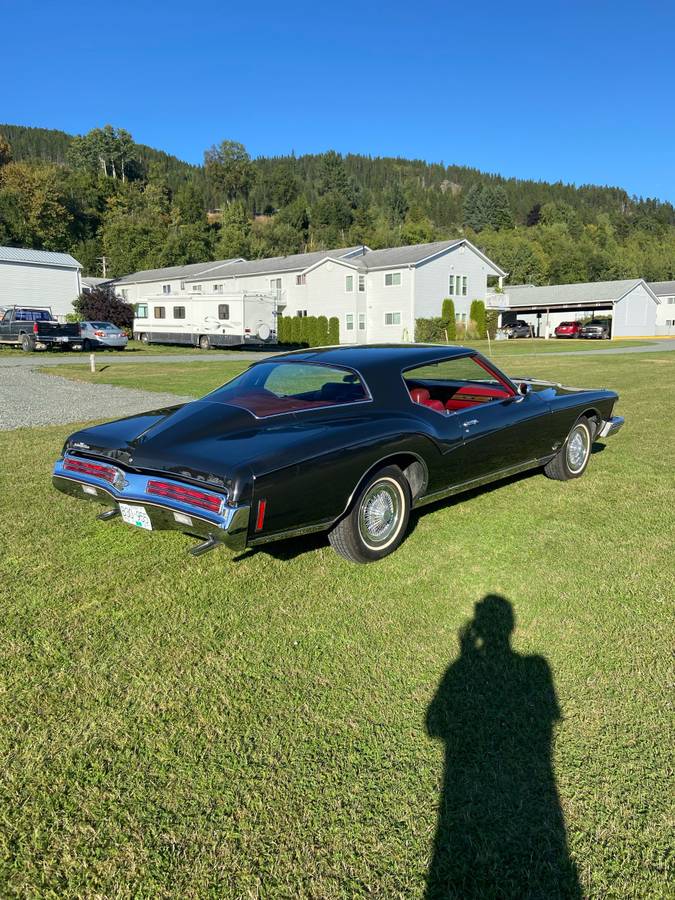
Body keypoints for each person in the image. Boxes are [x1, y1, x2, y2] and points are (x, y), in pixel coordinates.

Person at [426, 595, 581, 898]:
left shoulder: (461, 669)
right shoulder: (536, 667)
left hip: (463, 786)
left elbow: (434, 725)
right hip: (536, 784)